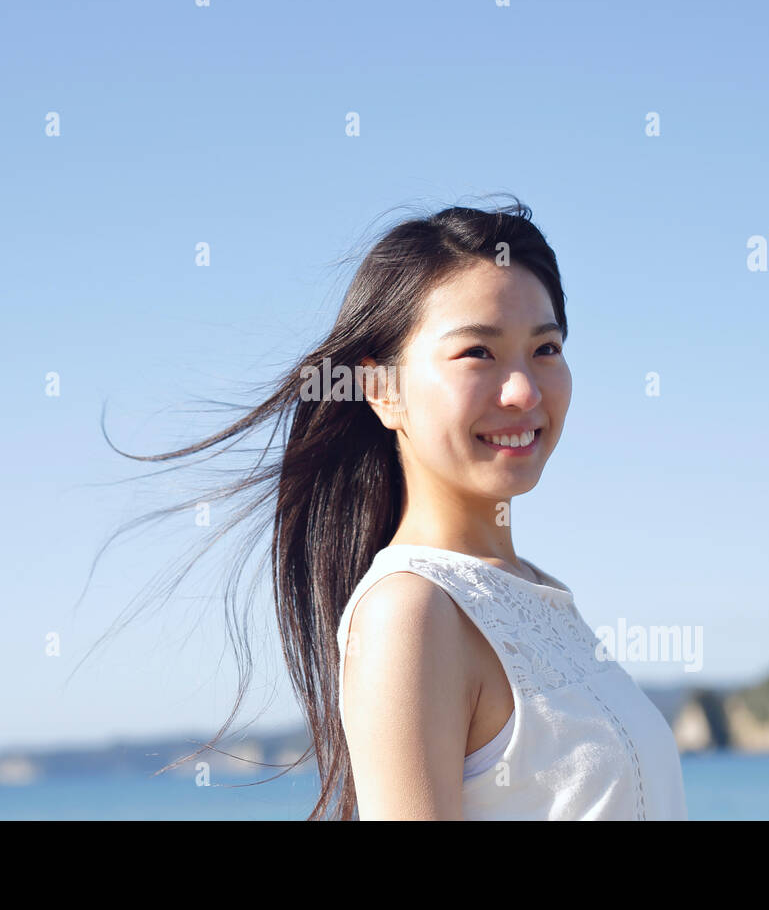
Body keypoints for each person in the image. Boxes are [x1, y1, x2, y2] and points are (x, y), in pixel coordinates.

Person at [86, 196, 687, 820]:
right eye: (477, 353)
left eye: (547, 349)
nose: (525, 391)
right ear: (382, 391)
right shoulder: (412, 611)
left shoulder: (539, 593)